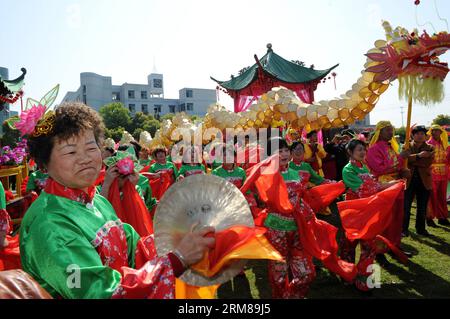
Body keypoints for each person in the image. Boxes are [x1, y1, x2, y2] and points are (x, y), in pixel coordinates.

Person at [19, 102, 215, 298]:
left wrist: (177, 237)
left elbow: (134, 249)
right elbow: (100, 292)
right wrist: (176, 259)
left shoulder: (97, 201)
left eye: (91, 147)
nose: (85, 158)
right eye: (71, 152)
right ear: (44, 164)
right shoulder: (49, 223)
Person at [341, 139, 402, 291]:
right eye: (359, 150)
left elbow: (372, 185)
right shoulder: (348, 170)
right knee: (349, 246)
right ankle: (347, 276)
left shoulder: (364, 167)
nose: (362, 152)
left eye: (364, 149)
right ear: (350, 152)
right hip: (354, 214)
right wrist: (388, 186)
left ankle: (364, 281)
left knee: (368, 247)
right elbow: (365, 189)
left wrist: (391, 185)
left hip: (368, 212)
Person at [262, 138, 316, 298]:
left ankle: (291, 295)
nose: (284, 154)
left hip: (297, 229)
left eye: (286, 150)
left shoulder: (296, 174)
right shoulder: (267, 175)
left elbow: (300, 200)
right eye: (279, 151)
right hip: (276, 230)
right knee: (279, 275)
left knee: (306, 274)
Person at [366, 121, 412, 260]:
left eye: (391, 130)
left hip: (397, 185)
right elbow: (380, 169)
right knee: (384, 219)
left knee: (398, 217)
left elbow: (396, 166)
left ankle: (394, 246)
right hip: (383, 187)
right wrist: (401, 157)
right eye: (387, 130)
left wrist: (403, 171)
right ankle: (379, 251)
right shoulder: (374, 149)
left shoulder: (391, 147)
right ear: (380, 132)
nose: (391, 133)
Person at [403, 126, 434, 236]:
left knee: (422, 207)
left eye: (422, 134)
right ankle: (404, 229)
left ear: (425, 136)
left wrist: (412, 159)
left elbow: (427, 163)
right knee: (406, 206)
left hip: (424, 180)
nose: (420, 136)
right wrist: (419, 156)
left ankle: (421, 229)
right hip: (409, 180)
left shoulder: (430, 147)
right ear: (412, 135)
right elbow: (404, 161)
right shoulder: (406, 146)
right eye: (417, 133)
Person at [426, 124, 450, 227]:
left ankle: (442, 217)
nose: (437, 132)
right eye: (434, 131)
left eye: (439, 131)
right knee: (431, 196)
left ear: (441, 132)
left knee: (442, 196)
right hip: (431, 173)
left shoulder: (445, 145)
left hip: (444, 173)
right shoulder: (427, 144)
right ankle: (429, 218)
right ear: (431, 132)